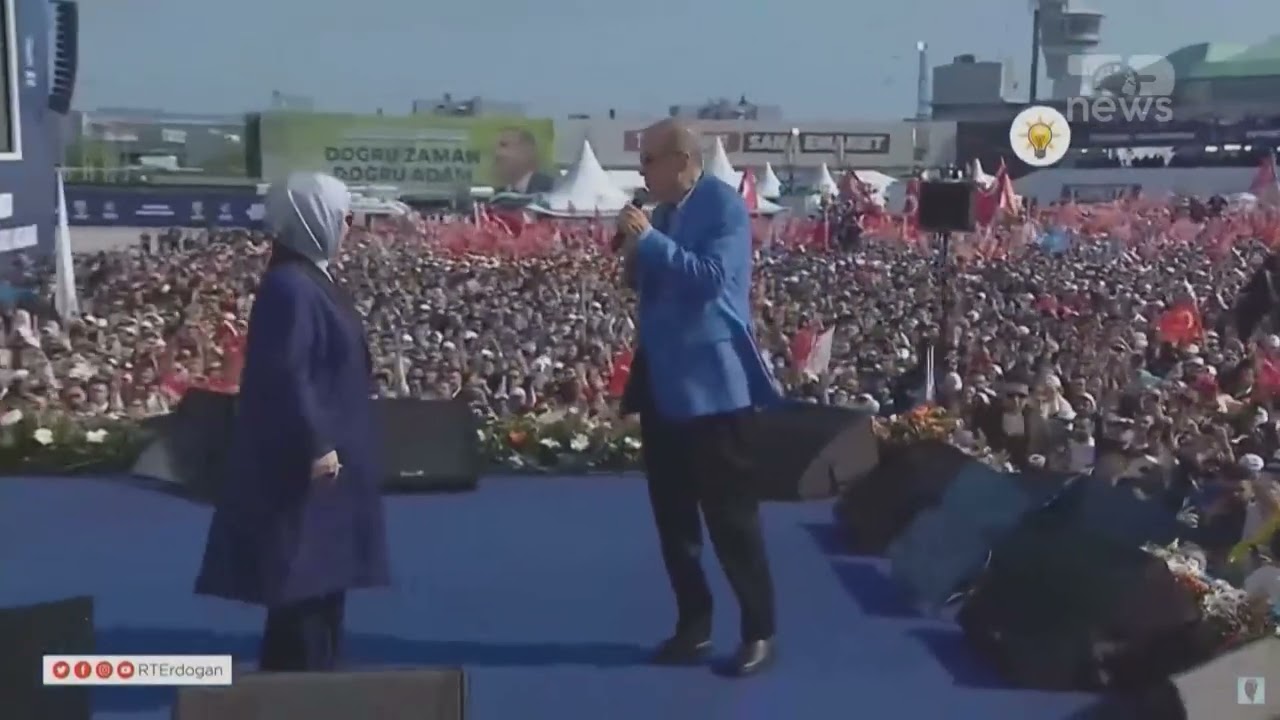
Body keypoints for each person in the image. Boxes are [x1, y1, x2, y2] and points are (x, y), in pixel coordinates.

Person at [193, 172, 389, 671]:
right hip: (310, 465)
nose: (350, 225)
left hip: (333, 461)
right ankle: (294, 690)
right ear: (314, 218)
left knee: (323, 587)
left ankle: (315, 685)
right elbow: (287, 372)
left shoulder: (312, 278)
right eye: (343, 215)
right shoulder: (291, 287)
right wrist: (315, 442)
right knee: (303, 585)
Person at [614, 118, 781, 676]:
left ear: (682, 161)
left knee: (732, 520)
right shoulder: (662, 214)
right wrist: (634, 252)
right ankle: (694, 624)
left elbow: (712, 279)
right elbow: (651, 279)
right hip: (663, 384)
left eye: (649, 161)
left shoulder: (723, 207)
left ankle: (759, 630)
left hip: (714, 389)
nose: (642, 172)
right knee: (674, 522)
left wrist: (651, 241)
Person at [492, 127, 554, 194]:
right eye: (495, 148)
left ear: (527, 150)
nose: (497, 153)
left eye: (504, 145)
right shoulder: (497, 195)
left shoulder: (553, 189)